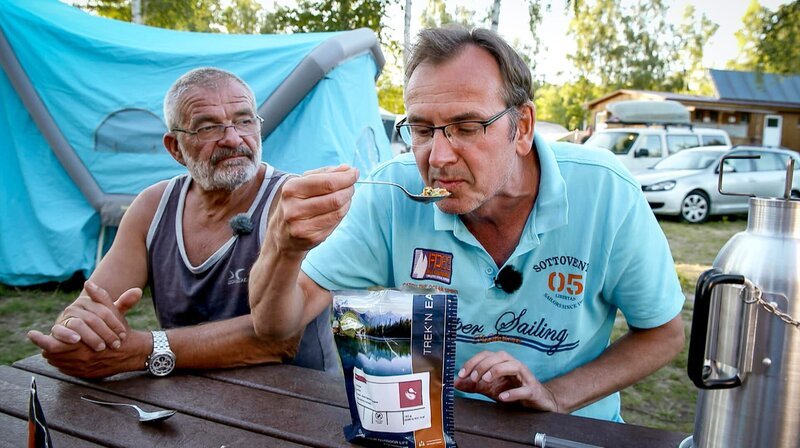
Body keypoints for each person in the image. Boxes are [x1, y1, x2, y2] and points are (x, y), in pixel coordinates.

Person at [248, 26, 685, 422]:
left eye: (466, 126)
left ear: (522, 127)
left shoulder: (605, 191)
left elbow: (663, 334)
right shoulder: (389, 193)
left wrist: (553, 396)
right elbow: (276, 327)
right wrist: (283, 248)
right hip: (428, 429)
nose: (437, 158)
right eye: (422, 130)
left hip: (563, 430)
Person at [27, 67, 337, 379]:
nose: (232, 139)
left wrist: (146, 349)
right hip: (185, 401)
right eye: (207, 128)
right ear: (175, 148)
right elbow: (93, 302)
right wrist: (77, 329)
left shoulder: (293, 202)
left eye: (244, 121)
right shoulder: (152, 207)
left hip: (293, 405)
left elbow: (279, 341)